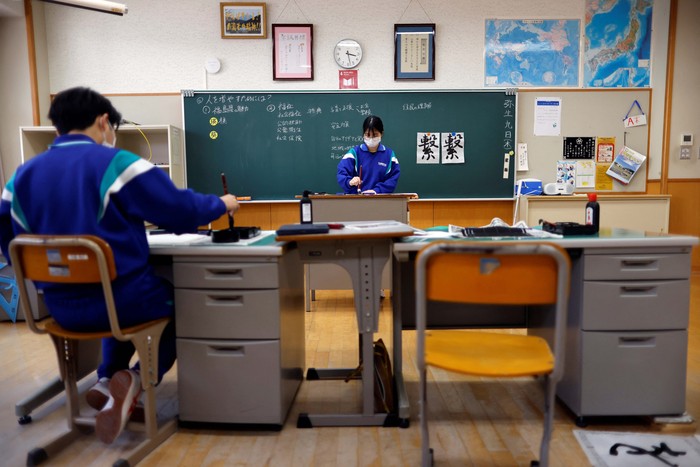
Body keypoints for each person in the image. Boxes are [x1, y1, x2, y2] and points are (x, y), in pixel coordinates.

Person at [0, 87, 239, 444]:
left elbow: (8, 237)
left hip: (57, 309)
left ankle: (105, 379)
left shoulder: (19, 177)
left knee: (119, 299)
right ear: (103, 122)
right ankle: (136, 380)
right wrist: (221, 204)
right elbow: (179, 211)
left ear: (57, 127)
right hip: (122, 303)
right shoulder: (118, 165)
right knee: (179, 305)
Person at [337, 115, 400, 194]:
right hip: (355, 200)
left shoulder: (390, 156)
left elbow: (392, 179)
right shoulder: (353, 153)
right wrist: (350, 181)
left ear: (382, 133)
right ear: (363, 134)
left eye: (375, 135)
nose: (371, 138)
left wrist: (376, 191)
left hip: (380, 200)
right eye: (368, 135)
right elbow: (341, 174)